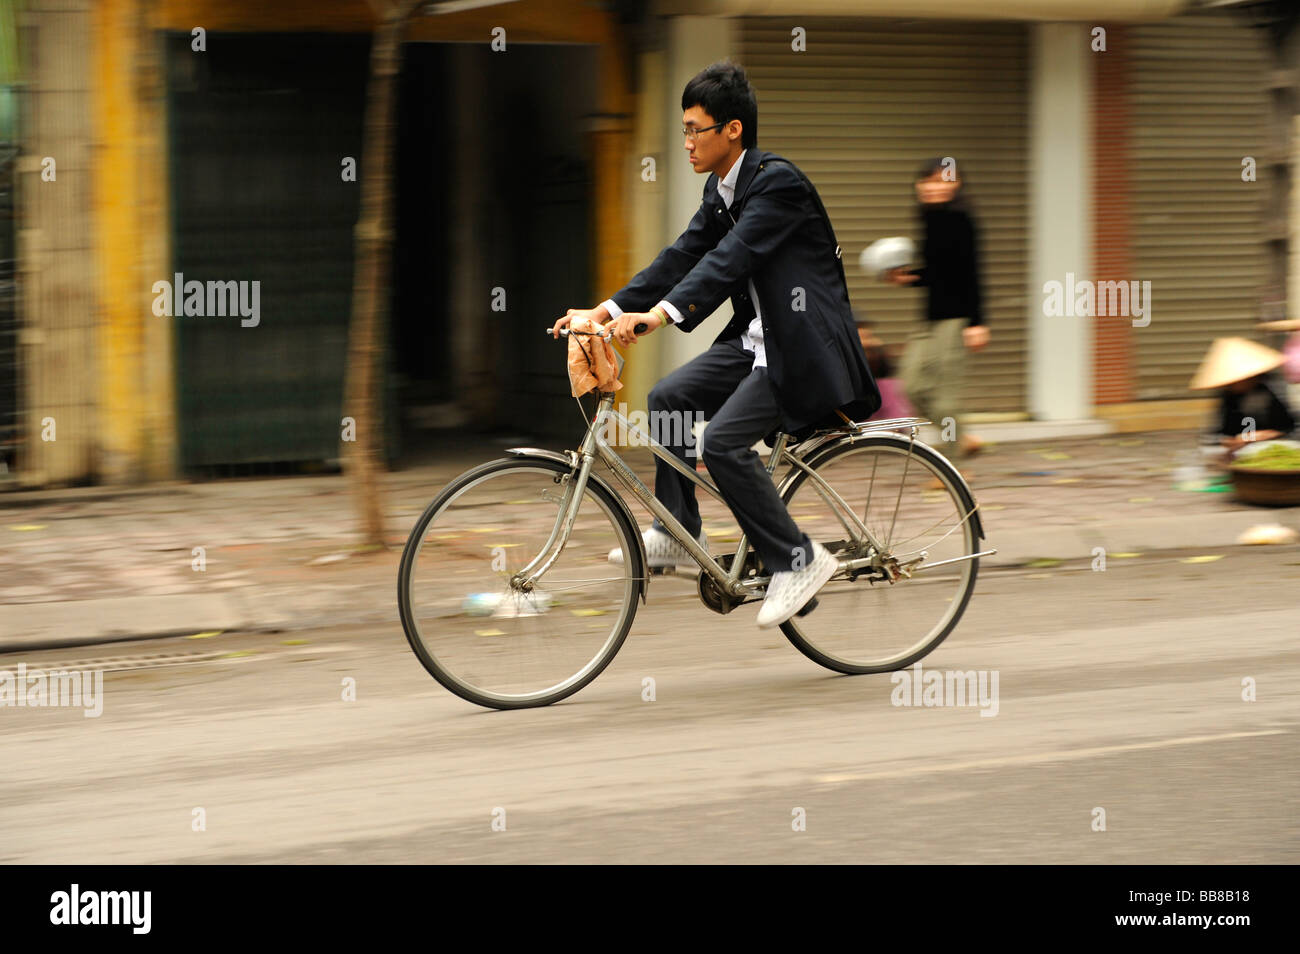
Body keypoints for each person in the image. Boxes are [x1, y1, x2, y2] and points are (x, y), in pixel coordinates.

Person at [551, 62, 880, 628]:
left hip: (800, 350)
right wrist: (604, 309)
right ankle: (679, 532)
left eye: (694, 129)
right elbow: (683, 256)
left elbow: (732, 260)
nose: (685, 142)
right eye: (682, 130)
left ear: (733, 130)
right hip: (758, 340)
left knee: (724, 443)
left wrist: (657, 317)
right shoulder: (720, 189)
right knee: (669, 399)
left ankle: (798, 561)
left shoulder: (778, 182)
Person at [884, 157, 989, 459]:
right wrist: (908, 278)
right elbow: (937, 273)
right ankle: (961, 437)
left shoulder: (963, 220)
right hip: (930, 320)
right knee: (911, 387)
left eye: (943, 181)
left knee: (945, 400)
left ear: (956, 185)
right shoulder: (930, 219)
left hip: (956, 321)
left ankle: (956, 465)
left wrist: (977, 322)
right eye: (928, 181)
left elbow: (973, 273)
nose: (933, 187)